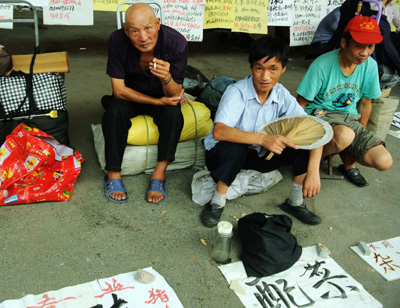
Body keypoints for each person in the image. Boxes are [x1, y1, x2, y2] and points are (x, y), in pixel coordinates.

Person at [201, 35, 323, 228]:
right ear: (251, 67)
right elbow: (219, 132)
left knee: (300, 142)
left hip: (259, 158)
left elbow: (311, 128)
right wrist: (263, 139)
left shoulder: (282, 94)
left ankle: (295, 201)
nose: (265, 77)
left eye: (273, 69)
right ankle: (217, 201)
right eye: (259, 68)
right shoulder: (237, 92)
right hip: (222, 156)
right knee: (236, 146)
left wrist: (314, 170)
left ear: (283, 69)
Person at [102, 3, 188, 203]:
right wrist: (157, 102)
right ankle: (113, 173)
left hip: (163, 95)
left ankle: (159, 172)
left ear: (158, 24)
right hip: (130, 96)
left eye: (148, 28)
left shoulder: (176, 43)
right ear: (126, 31)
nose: (142, 37)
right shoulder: (117, 40)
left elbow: (174, 94)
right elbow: (119, 90)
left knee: (174, 114)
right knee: (114, 112)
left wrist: (166, 78)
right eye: (134, 31)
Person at [297, 15, 393, 187]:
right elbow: (301, 105)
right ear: (344, 42)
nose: (364, 53)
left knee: (384, 161)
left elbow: (365, 104)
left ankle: (346, 160)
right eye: (358, 46)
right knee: (345, 136)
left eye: (370, 47)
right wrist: (299, 138)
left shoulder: (370, 66)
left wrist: (356, 142)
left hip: (349, 118)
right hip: (320, 114)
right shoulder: (322, 65)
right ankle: (305, 158)